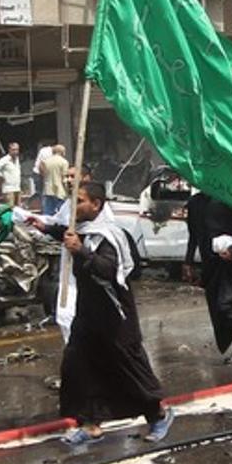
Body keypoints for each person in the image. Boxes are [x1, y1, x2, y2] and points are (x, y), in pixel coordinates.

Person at [55, 182, 173, 445]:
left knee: (127, 366)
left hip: (114, 314)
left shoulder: (108, 235)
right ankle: (90, 423)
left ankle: (159, 415)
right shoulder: (79, 231)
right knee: (79, 363)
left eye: (81, 201)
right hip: (87, 312)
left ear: (96, 204)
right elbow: (56, 231)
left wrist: (81, 251)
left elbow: (108, 269)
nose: (76, 207)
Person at [184, 191, 232, 363]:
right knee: (217, 308)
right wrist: (188, 262)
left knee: (225, 304)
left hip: (230, 261)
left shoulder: (229, 198)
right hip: (209, 262)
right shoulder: (194, 203)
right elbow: (193, 235)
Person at [40, 145, 69, 217]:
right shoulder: (64, 162)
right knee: (62, 211)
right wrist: (68, 189)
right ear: (61, 152)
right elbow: (64, 177)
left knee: (48, 212)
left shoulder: (46, 161)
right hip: (60, 190)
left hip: (48, 189)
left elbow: (43, 173)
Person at [32, 140, 53, 205]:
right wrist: (45, 177)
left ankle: (27, 203)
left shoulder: (44, 150)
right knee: (42, 192)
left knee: (40, 191)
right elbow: (42, 165)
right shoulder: (47, 151)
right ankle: (44, 208)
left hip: (38, 172)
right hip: (39, 173)